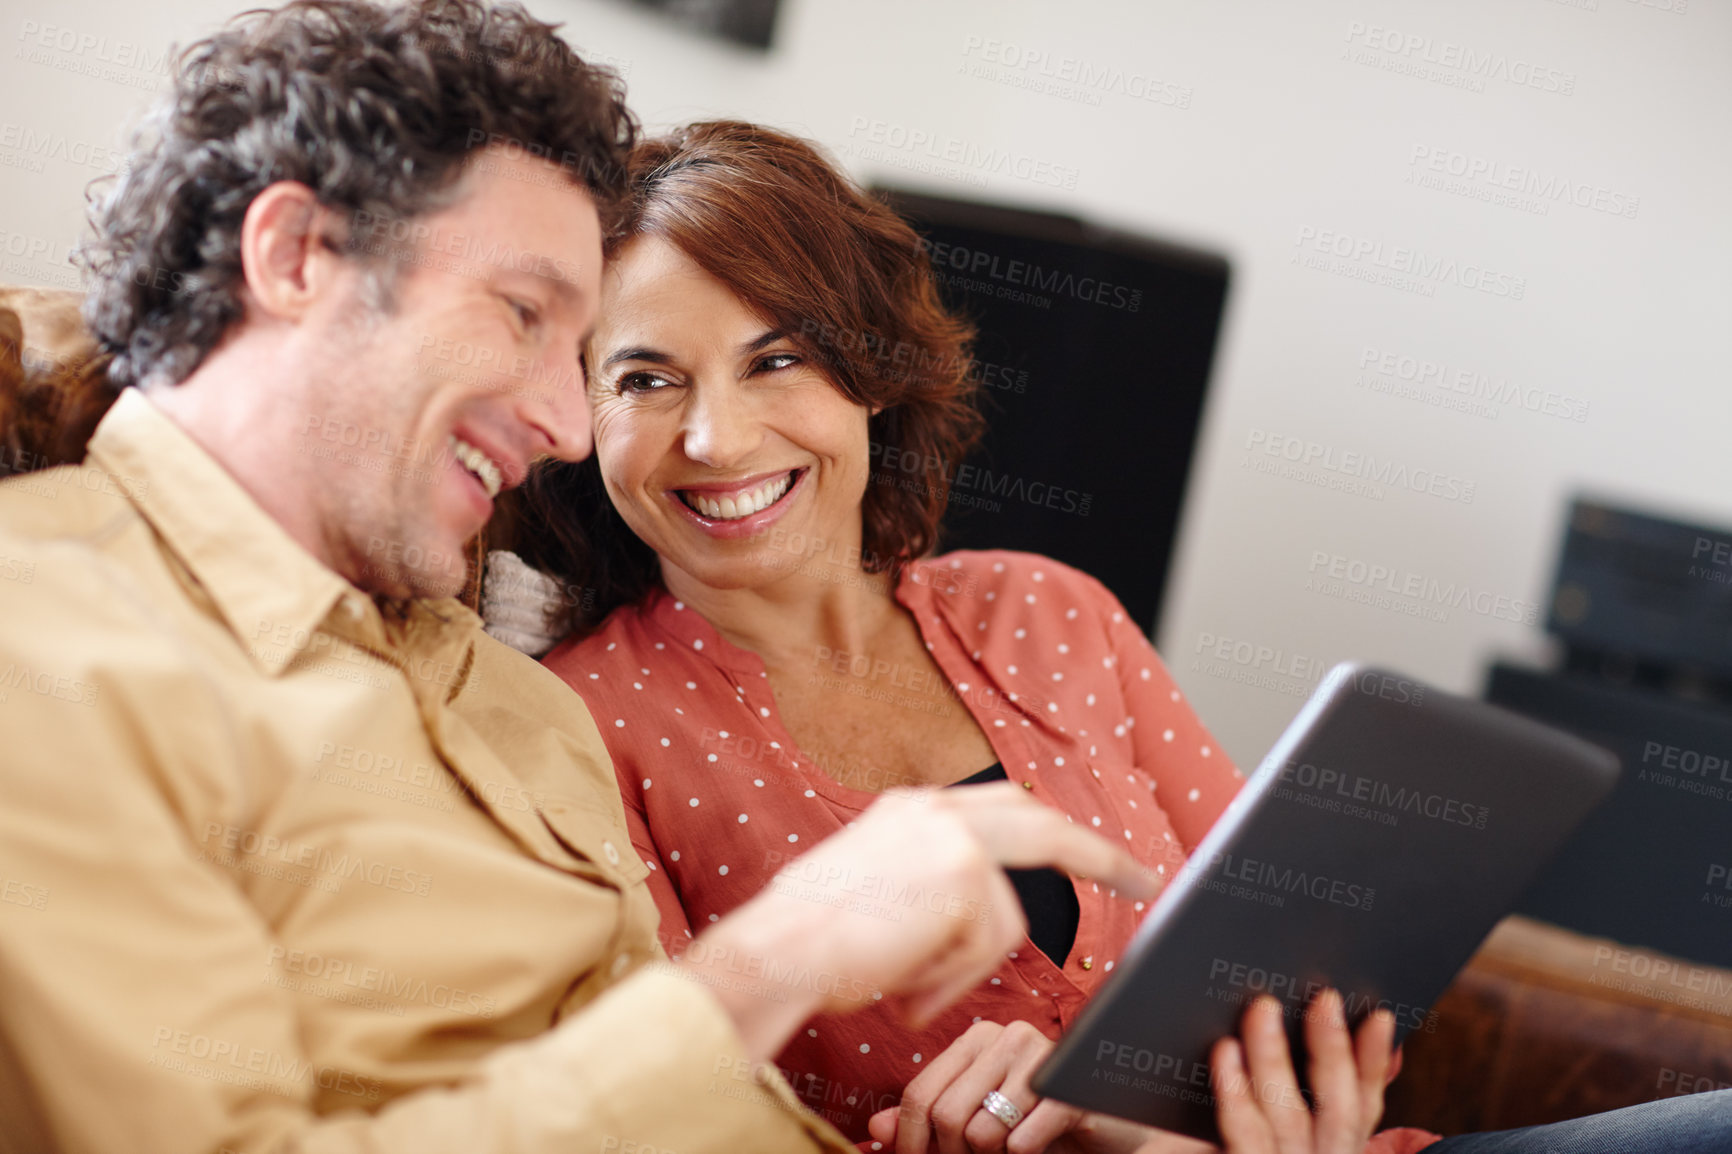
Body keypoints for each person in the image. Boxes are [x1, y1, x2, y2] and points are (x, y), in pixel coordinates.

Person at [0, 5, 1195, 1152]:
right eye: (525, 314)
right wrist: (779, 955)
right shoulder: (46, 647)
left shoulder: (508, 704)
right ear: (298, 254)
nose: (569, 428)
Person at [510, 121, 1732, 1154]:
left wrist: (1316, 1076)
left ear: (870, 375)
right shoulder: (579, 723)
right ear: (577, 412)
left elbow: (1289, 941)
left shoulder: (1048, 611)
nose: (716, 438)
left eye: (775, 358)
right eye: (646, 379)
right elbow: (657, 1104)